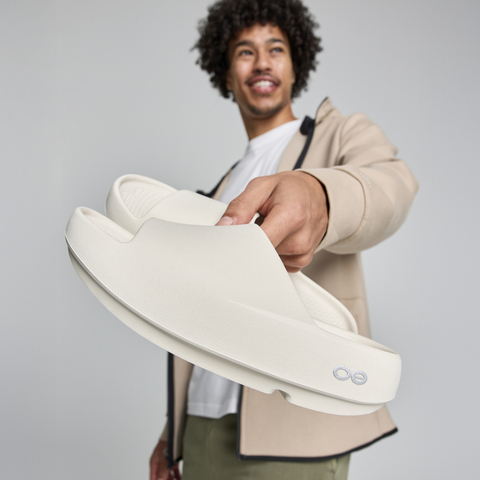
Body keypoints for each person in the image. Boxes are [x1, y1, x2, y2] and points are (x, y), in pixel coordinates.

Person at [149, 1, 418, 479]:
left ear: (296, 67)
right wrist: (173, 432)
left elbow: (392, 185)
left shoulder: (340, 136)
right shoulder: (222, 189)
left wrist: (320, 197)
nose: (262, 62)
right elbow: (202, 317)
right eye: (244, 52)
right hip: (202, 428)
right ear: (226, 74)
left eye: (276, 49)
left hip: (292, 432)